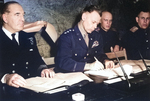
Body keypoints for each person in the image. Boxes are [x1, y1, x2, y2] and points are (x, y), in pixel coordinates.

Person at [0, 1, 55, 88]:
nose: (23, 19)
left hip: (30, 85)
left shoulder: (28, 37)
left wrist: (43, 69)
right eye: (17, 14)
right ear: (5, 18)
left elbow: (36, 59)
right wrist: (5, 77)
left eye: (23, 15)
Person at [55, 5, 114, 73]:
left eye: (97, 24)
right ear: (84, 17)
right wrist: (87, 66)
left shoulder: (96, 35)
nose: (95, 26)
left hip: (91, 75)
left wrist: (105, 60)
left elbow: (99, 53)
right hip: (72, 76)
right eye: (93, 22)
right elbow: (63, 62)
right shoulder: (67, 37)